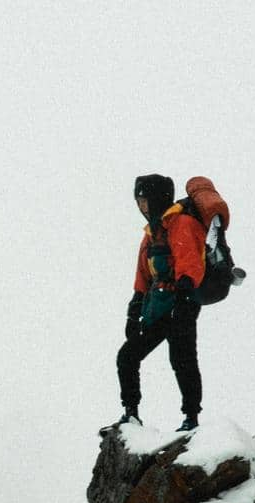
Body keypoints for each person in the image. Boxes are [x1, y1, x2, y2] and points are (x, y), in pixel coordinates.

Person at [110, 174, 207, 433]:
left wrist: (184, 299)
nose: (141, 207)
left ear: (156, 198)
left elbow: (190, 264)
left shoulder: (182, 224)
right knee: (127, 356)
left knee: (182, 359)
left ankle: (191, 418)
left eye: (144, 200)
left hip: (181, 304)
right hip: (159, 306)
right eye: (138, 201)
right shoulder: (152, 233)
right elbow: (143, 276)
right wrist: (134, 310)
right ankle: (131, 414)